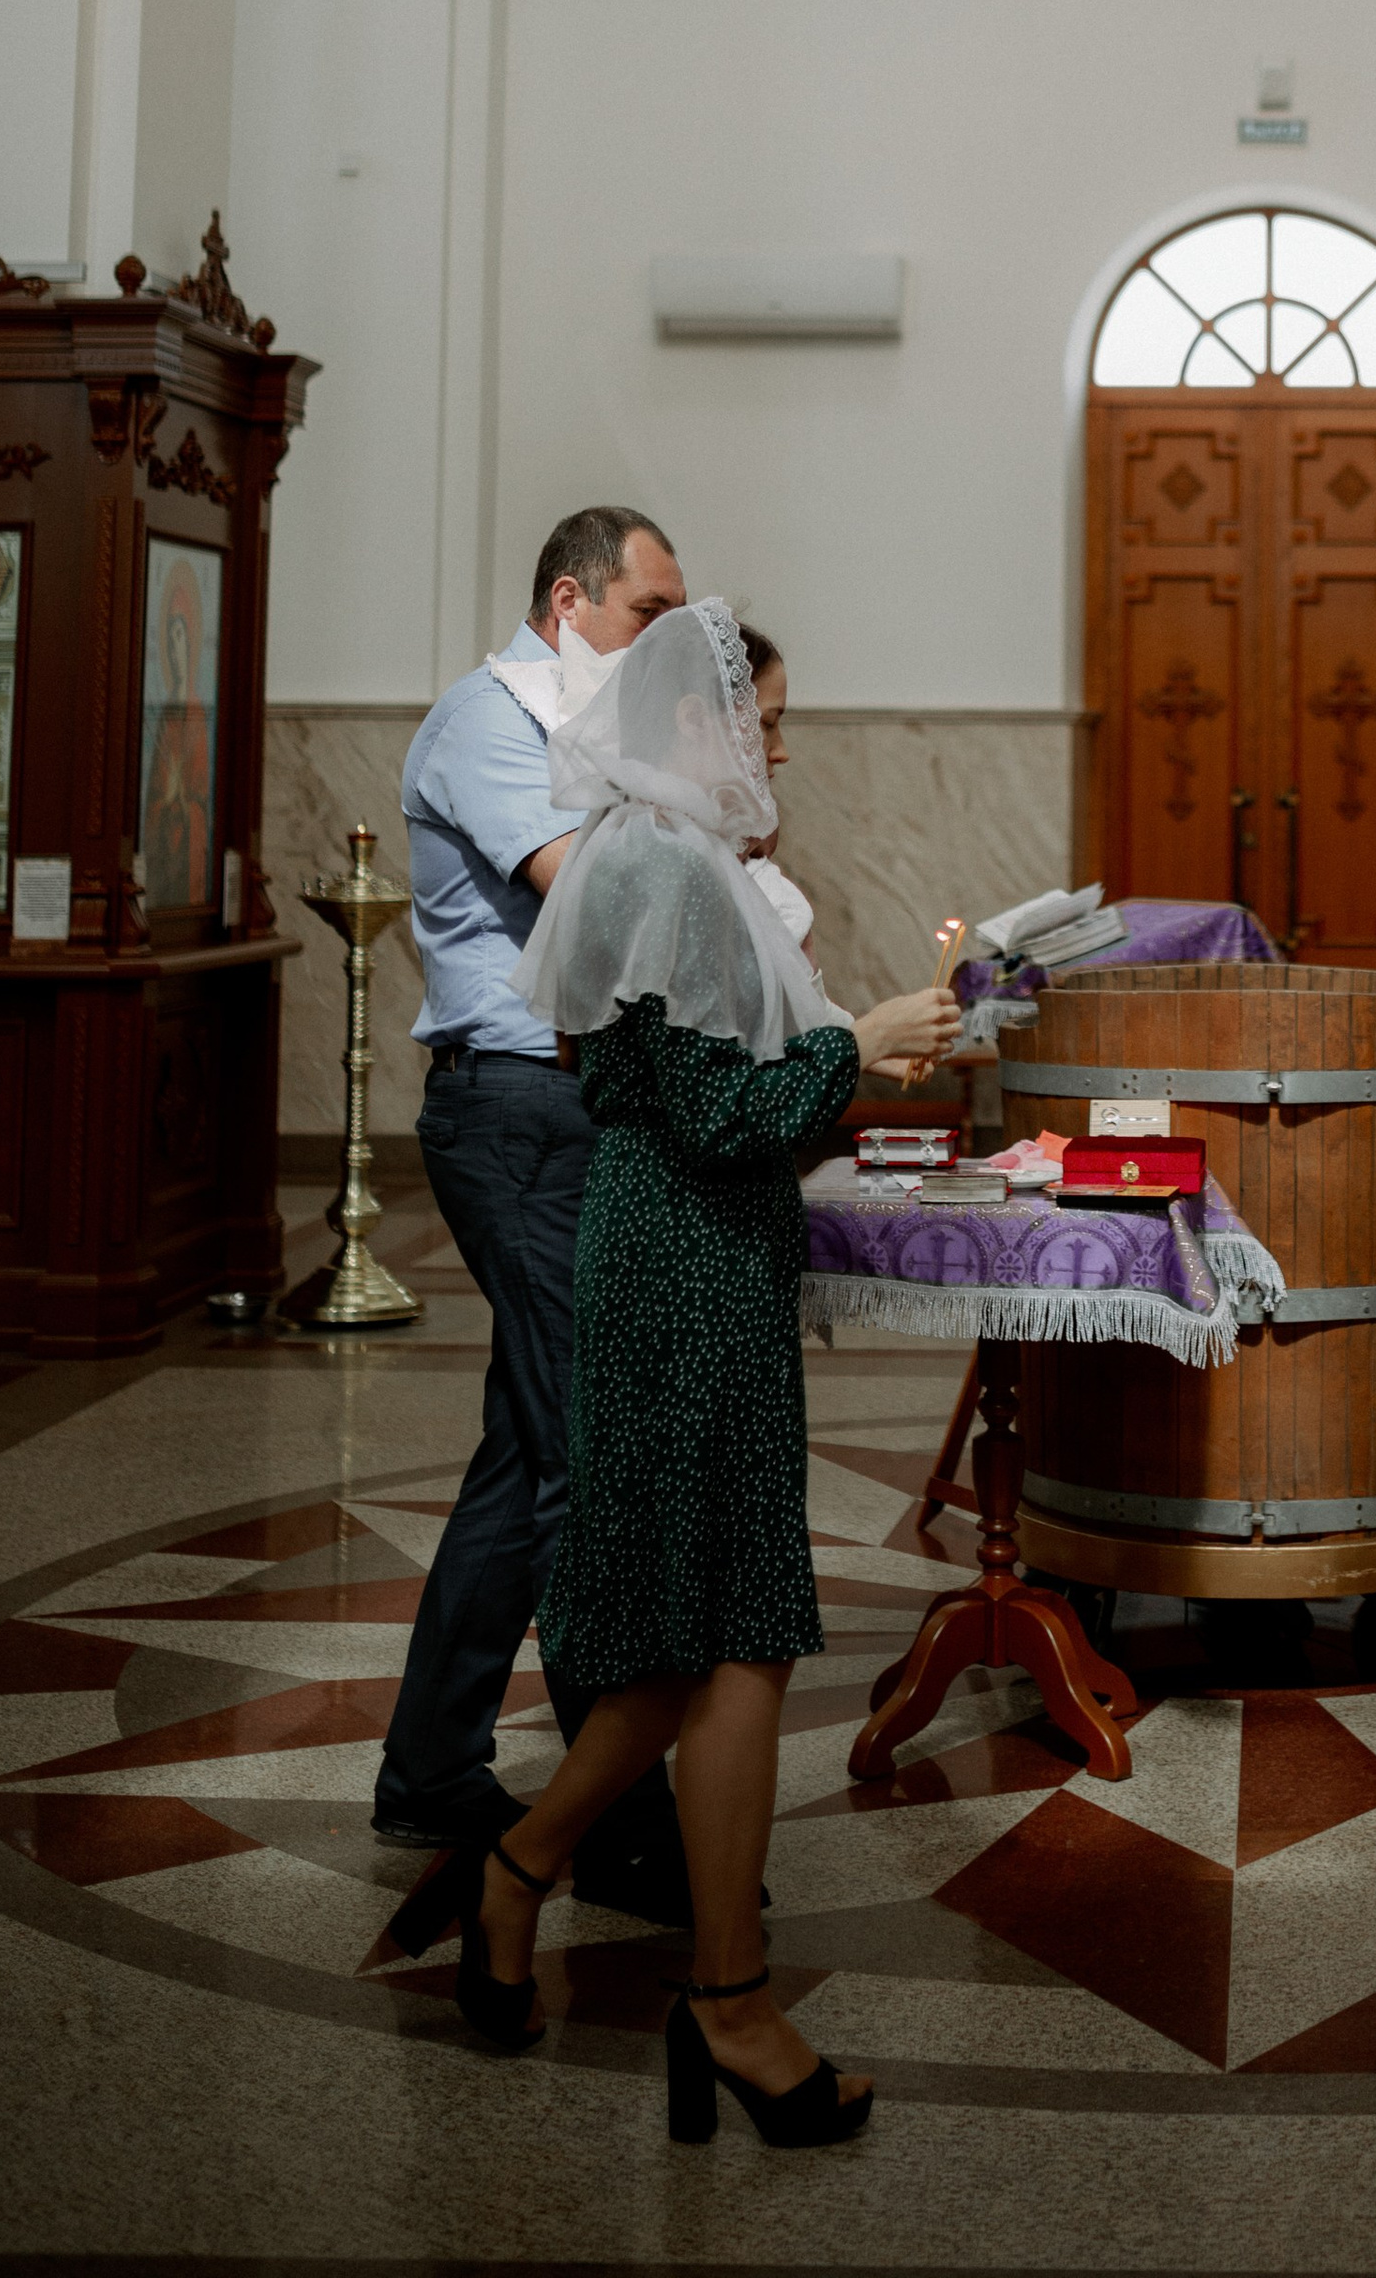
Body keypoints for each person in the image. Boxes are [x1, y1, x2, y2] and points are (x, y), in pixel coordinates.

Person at [392, 597, 961, 2145]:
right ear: (702, 723)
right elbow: (719, 1112)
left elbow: (651, 1072)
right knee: (727, 1630)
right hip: (688, 1258)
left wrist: (832, 1057)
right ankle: (716, 1990)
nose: (777, 745)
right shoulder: (671, 870)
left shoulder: (649, 856)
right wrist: (859, 1045)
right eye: (762, 718)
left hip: (677, 1247)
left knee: (692, 1642)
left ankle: (549, 1896)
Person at [370, 505, 690, 1910]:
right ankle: (611, 1816)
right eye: (647, 614)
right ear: (571, 601)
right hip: (513, 1112)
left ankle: (431, 1769)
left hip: (585, 1107)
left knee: (530, 1447)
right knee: (590, 1453)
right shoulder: (485, 722)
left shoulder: (603, 730)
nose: (667, 641)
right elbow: (598, 906)